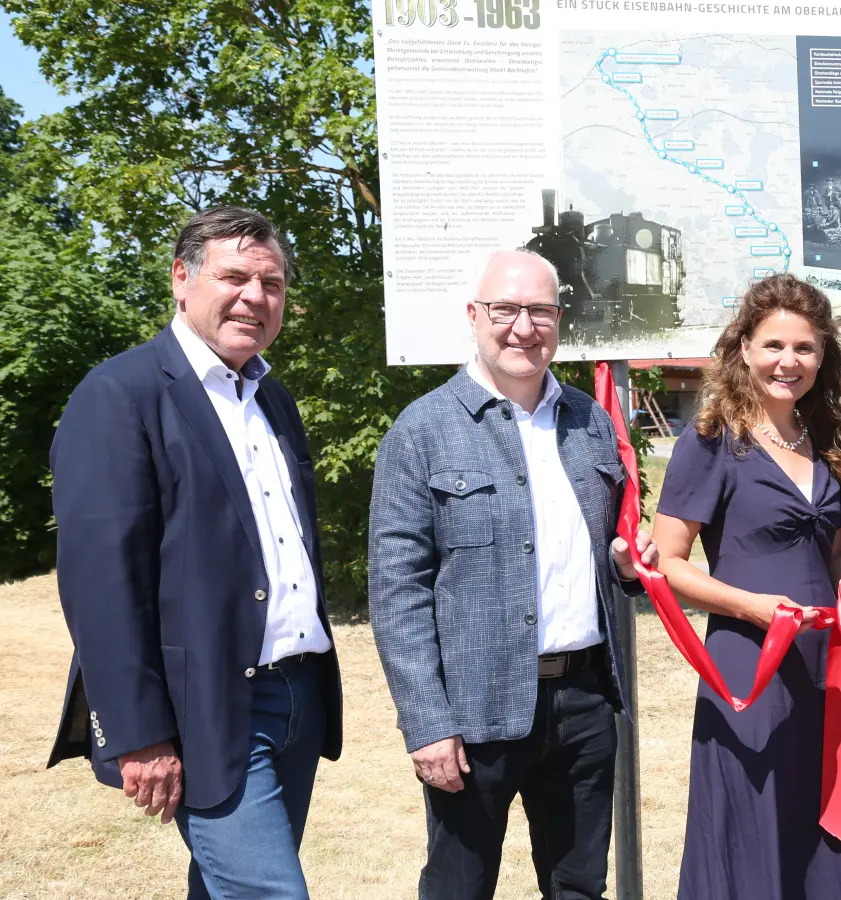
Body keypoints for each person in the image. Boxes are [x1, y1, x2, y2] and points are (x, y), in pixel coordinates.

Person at [46, 206, 343, 897]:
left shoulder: (274, 399)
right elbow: (101, 585)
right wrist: (138, 733)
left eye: (272, 284)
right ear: (182, 279)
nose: (255, 297)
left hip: (296, 696)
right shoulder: (120, 395)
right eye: (234, 276)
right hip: (204, 705)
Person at [367, 248, 656, 900]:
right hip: (474, 713)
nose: (523, 327)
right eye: (506, 310)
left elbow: (617, 546)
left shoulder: (590, 422)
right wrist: (426, 723)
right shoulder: (422, 431)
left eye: (540, 311)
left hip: (583, 702)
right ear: (475, 316)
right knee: (459, 887)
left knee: (578, 885)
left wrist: (632, 566)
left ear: (559, 319)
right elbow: (396, 590)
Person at [652, 274, 841, 900]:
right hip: (748, 665)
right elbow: (668, 565)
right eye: (774, 345)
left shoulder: (828, 441)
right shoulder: (709, 443)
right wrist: (751, 608)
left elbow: (834, 552)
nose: (789, 362)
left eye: (805, 348)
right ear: (745, 350)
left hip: (823, 667)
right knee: (754, 825)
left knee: (826, 822)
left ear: (823, 356)